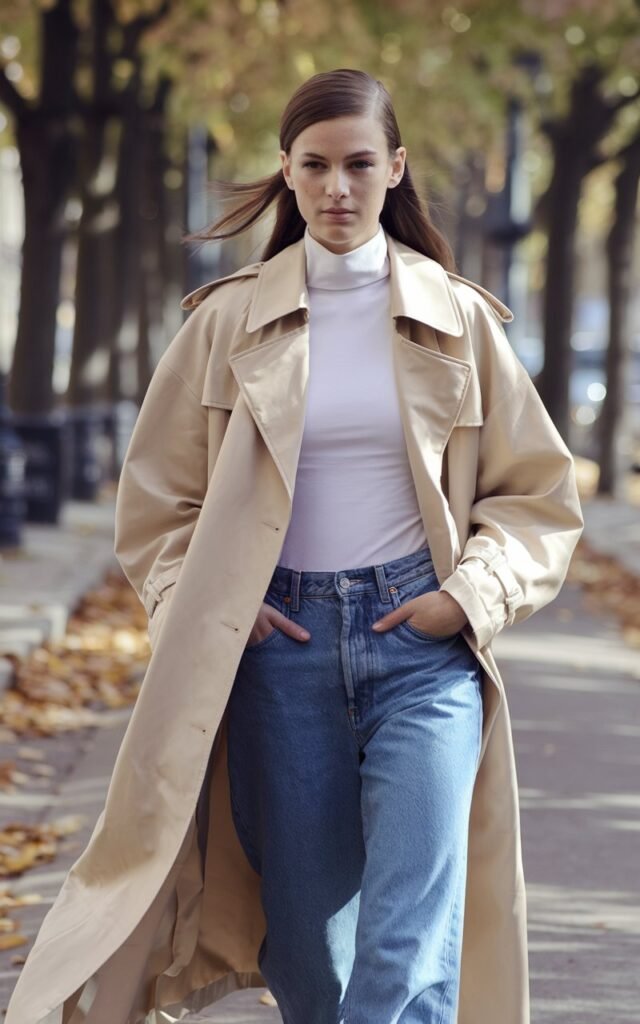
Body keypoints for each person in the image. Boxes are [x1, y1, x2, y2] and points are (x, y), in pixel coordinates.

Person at [5, 69, 583, 1024]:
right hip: (281, 646)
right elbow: (157, 499)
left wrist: (467, 597)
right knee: (310, 950)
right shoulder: (227, 321)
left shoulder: (459, 319)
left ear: (395, 168)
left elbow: (538, 496)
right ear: (286, 172)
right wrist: (211, 597)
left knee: (409, 938)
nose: (338, 188)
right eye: (315, 166)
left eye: (360, 164)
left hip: (423, 643)